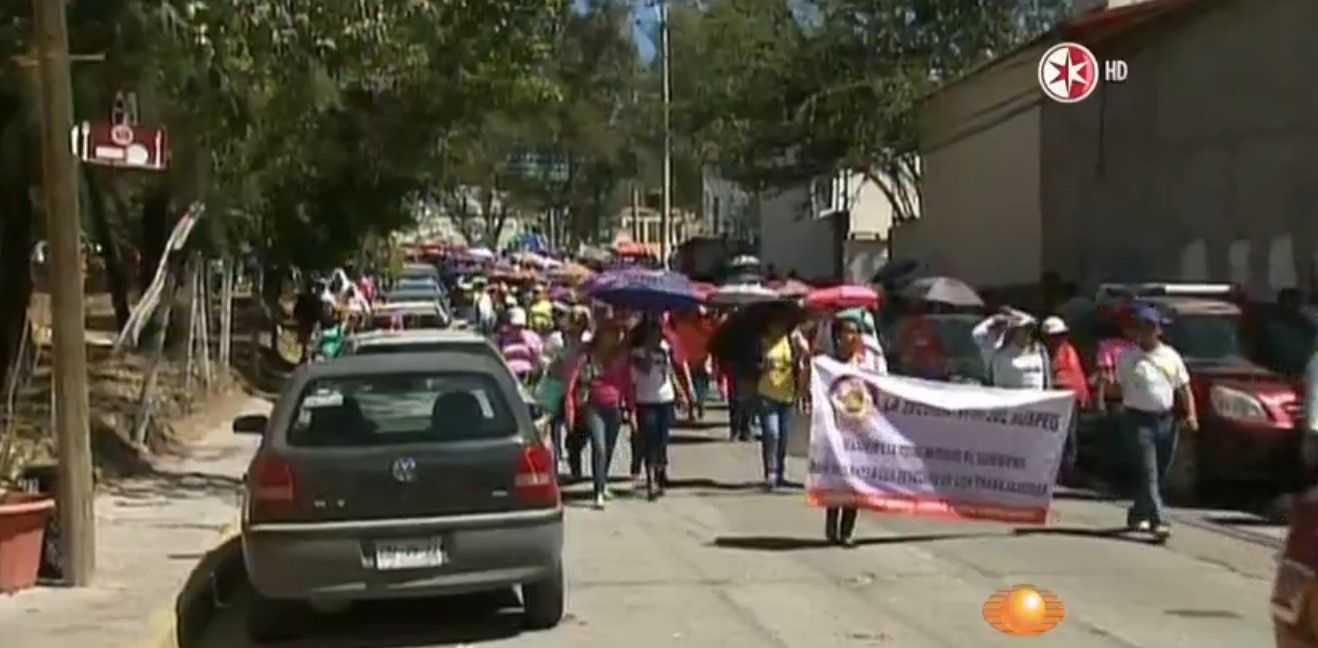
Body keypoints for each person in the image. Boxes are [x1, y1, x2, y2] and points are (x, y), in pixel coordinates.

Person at [1114, 304, 1197, 538]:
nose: (1147, 332)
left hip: (1166, 421)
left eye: (1151, 327)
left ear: (1159, 330)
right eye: (1142, 327)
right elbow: (1119, 386)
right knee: (1148, 471)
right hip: (1138, 420)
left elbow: (1184, 388)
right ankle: (1159, 520)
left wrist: (1191, 415)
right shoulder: (1128, 358)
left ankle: (1138, 512)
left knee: (1159, 473)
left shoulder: (1170, 357)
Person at [822, 309, 886, 546]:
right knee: (835, 479)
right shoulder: (829, 362)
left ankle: (846, 531)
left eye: (854, 332)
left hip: (859, 427)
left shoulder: (867, 362)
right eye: (846, 332)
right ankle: (831, 527)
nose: (850, 337)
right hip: (836, 428)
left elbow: (881, 386)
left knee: (854, 481)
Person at [565, 318, 632, 510]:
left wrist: (631, 410)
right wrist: (570, 410)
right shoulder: (586, 355)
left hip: (614, 408)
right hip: (592, 407)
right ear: (602, 334)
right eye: (612, 332)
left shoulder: (621, 356)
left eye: (618, 333)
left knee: (609, 449)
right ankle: (598, 492)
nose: (616, 336)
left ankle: (602, 482)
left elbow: (627, 386)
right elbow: (571, 384)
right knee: (599, 447)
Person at [628, 316, 693, 499]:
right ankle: (649, 480)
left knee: (662, 440)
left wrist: (682, 393)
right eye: (654, 334)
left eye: (659, 334)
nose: (658, 338)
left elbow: (669, 372)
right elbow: (642, 372)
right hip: (645, 401)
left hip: (665, 399)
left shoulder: (664, 350)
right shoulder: (636, 353)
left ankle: (659, 473)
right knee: (649, 440)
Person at [755, 313, 808, 491]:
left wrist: (800, 351)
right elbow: (755, 364)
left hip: (787, 393)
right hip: (767, 393)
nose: (778, 326)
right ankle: (771, 472)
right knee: (772, 433)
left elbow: (803, 360)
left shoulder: (791, 340)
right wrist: (763, 364)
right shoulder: (762, 341)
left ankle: (780, 472)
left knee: (784, 437)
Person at [1042, 316, 1088, 481]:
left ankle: (1066, 471)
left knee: (1069, 436)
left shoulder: (1067, 351)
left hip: (1068, 398)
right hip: (1053, 398)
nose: (1057, 339)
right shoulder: (1045, 351)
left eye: (1059, 335)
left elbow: (1072, 377)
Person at [972, 308, 1051, 390]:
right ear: (1013, 330)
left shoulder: (1040, 350)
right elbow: (978, 334)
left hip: (1036, 400)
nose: (1027, 332)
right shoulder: (998, 350)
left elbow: (1047, 380)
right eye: (1023, 328)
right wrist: (995, 319)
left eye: (1030, 328)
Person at [671, 307, 717, 422]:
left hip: (700, 360)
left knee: (700, 387)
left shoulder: (703, 324)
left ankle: (699, 404)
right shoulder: (682, 324)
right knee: (690, 387)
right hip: (689, 359)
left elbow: (712, 338)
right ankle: (693, 408)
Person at [496, 307, 544, 386]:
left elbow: (537, 358)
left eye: (520, 326)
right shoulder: (501, 339)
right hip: (507, 377)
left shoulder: (532, 337)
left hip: (527, 377)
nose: (517, 329)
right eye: (515, 326)